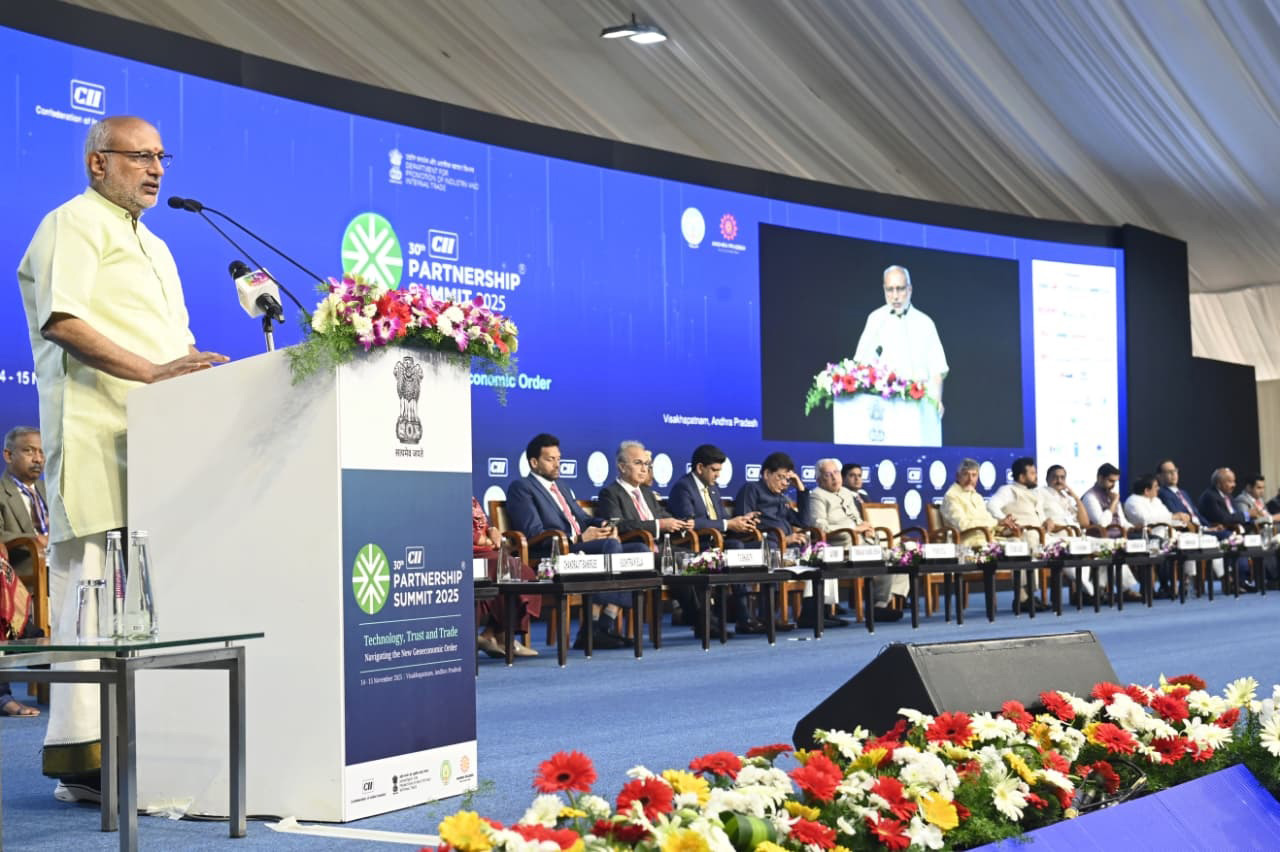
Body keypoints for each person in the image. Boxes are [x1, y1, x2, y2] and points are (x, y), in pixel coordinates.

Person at [16, 116, 228, 801]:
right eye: (141, 156)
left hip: (157, 443)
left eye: (162, 156)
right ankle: (81, 763)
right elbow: (63, 321)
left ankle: (144, 745)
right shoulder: (71, 222)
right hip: (95, 435)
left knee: (145, 604)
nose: (157, 169)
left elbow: (174, 345)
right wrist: (155, 373)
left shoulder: (157, 245)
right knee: (90, 595)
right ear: (97, 163)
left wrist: (194, 374)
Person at [505, 433, 640, 649]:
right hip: (555, 553)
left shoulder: (562, 486)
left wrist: (605, 525)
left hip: (580, 547)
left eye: (558, 458)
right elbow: (534, 533)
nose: (557, 464)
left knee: (639, 549)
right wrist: (578, 538)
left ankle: (603, 625)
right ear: (534, 462)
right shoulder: (521, 488)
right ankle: (592, 628)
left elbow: (583, 519)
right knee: (611, 546)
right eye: (550, 459)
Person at [667, 444, 765, 635]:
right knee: (735, 546)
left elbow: (720, 519)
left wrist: (741, 521)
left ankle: (756, 614)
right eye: (714, 470)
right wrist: (728, 524)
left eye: (719, 470)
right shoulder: (683, 487)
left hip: (717, 542)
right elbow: (689, 523)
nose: (718, 475)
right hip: (696, 544)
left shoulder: (712, 488)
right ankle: (743, 616)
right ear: (700, 468)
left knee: (755, 545)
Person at [736, 452, 840, 628]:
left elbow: (804, 522)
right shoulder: (751, 489)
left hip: (785, 545)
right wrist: (785, 539)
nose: (784, 483)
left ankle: (814, 612)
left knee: (821, 553)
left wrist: (800, 489)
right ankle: (767, 616)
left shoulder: (782, 498)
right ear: (766, 474)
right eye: (780, 477)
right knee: (773, 551)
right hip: (760, 544)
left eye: (787, 479)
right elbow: (746, 524)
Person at [850, 265, 948, 445]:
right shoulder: (876, 319)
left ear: (909, 289)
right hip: (885, 409)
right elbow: (860, 365)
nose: (895, 296)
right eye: (890, 290)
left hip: (919, 408)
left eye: (900, 289)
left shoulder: (925, 323)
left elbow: (937, 370)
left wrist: (937, 401)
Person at [807, 457, 906, 618]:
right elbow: (820, 529)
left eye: (836, 473)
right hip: (842, 547)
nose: (834, 477)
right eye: (828, 474)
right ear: (819, 480)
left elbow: (857, 519)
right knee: (887, 557)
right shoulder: (817, 496)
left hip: (861, 543)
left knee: (894, 558)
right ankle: (877, 606)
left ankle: (879, 605)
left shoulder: (846, 493)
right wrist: (855, 529)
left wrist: (867, 529)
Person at [471, 497, 538, 658]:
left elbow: (480, 524)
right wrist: (487, 540)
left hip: (487, 551)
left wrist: (492, 529)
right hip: (469, 552)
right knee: (505, 569)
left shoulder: (471, 498)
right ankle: (498, 636)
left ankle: (496, 634)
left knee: (524, 573)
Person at [985, 457, 1056, 610]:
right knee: (1030, 541)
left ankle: (1087, 592)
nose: (1036, 476)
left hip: (1041, 534)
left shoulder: (1035, 493)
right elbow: (991, 505)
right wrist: (1004, 520)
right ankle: (1023, 597)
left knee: (1065, 544)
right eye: (1032, 473)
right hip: (1022, 535)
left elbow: (1039, 517)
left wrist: (1047, 522)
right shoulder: (1008, 490)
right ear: (1022, 476)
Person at [1156, 458, 1223, 585]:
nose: (1173, 474)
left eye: (1175, 471)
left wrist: (1209, 526)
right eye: (1169, 472)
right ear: (1159, 476)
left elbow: (1196, 514)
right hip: (1188, 530)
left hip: (1201, 528)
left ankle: (1228, 576)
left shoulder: (1183, 493)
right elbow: (1178, 516)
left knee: (1224, 534)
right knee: (1225, 536)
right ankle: (1226, 577)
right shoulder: (1162, 494)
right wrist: (1203, 529)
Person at [1198, 468, 1256, 592]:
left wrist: (1252, 521)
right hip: (1213, 531)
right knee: (1233, 539)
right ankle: (1237, 581)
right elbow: (1224, 518)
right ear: (1219, 484)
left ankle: (1245, 580)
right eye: (1230, 481)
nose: (1234, 485)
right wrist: (1247, 515)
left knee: (1252, 536)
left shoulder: (1228, 496)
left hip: (1230, 529)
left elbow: (1234, 515)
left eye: (1234, 481)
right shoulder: (1210, 496)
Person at [940, 458, 1016, 546]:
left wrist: (1005, 525)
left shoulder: (977, 496)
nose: (970, 479)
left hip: (987, 539)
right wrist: (996, 523)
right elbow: (963, 525)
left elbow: (988, 520)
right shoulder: (951, 496)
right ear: (957, 476)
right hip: (968, 543)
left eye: (974, 475)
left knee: (1017, 542)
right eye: (966, 474)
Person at [1081, 463, 1132, 531]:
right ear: (1100, 478)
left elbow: (1122, 522)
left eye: (1115, 482)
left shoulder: (1112, 495)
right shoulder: (1090, 497)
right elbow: (1102, 524)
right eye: (1111, 481)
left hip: (1120, 535)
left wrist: (1135, 528)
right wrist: (1113, 503)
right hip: (1101, 536)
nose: (1113, 485)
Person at [1039, 465, 1090, 530]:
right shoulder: (1041, 492)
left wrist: (1075, 497)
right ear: (1047, 479)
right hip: (1057, 533)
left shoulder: (1067, 498)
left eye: (1062, 477)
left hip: (1075, 533)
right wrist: (1044, 521)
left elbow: (1085, 523)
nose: (1059, 481)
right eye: (1055, 477)